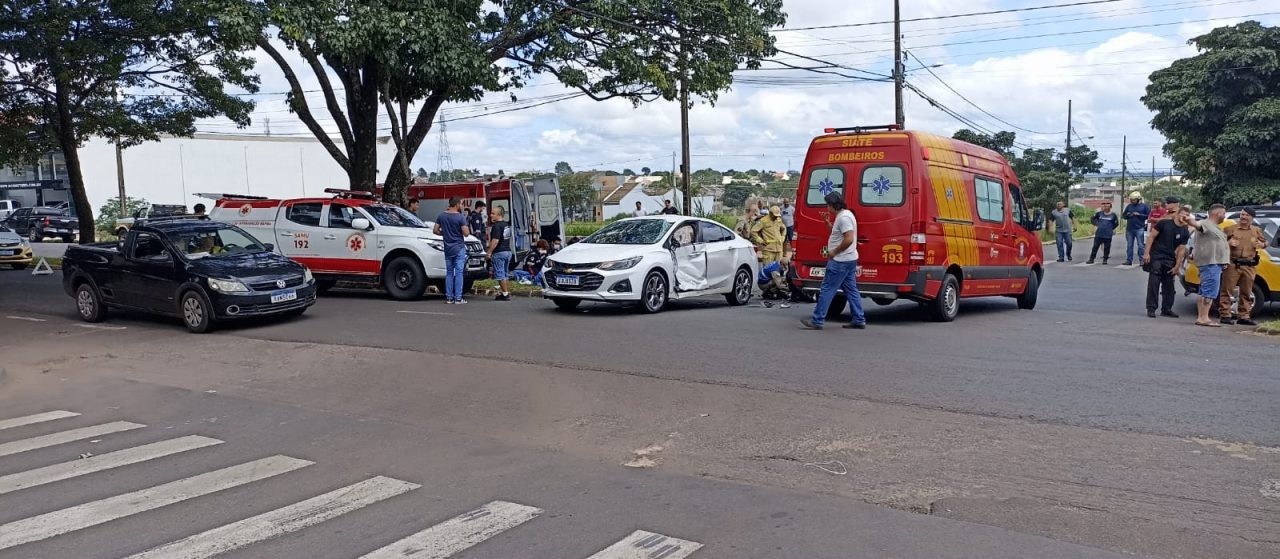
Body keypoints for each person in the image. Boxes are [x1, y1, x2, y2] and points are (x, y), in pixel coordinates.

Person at [801, 192, 866, 330]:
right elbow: (839, 233)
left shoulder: (843, 218)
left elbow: (848, 238)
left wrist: (834, 251)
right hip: (849, 259)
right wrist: (828, 224)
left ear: (833, 205)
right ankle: (858, 318)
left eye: (827, 205)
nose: (827, 208)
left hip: (840, 260)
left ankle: (817, 320)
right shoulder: (845, 215)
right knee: (851, 290)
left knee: (827, 289)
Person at [1219, 207, 1267, 326]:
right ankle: (1225, 314)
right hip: (1233, 264)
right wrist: (1228, 243)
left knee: (1246, 292)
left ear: (1252, 217)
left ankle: (1244, 316)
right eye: (1242, 214)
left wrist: (1262, 244)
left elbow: (1265, 243)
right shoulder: (1230, 229)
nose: (1243, 217)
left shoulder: (1256, 231)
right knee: (1227, 290)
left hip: (1249, 265)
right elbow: (1219, 244)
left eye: (1246, 215)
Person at [1186, 204, 1230, 327]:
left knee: (1204, 290)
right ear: (1217, 213)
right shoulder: (1206, 224)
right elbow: (1197, 225)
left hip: (1214, 263)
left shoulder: (1215, 227)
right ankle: (1204, 318)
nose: (1224, 216)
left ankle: (1202, 316)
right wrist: (1189, 220)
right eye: (1224, 213)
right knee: (1209, 291)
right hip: (1211, 263)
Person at [1143, 206, 1190, 318]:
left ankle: (1167, 309)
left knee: (1169, 286)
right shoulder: (1164, 223)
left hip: (1170, 259)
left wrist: (1178, 265)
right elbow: (1151, 237)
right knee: (1154, 283)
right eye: (1183, 214)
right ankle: (1151, 308)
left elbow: (1182, 249)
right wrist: (1146, 253)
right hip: (1156, 256)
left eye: (1187, 215)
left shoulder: (1185, 231)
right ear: (1177, 214)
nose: (1185, 217)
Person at [433, 196, 471, 304]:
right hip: (459, 247)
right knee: (459, 273)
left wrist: (444, 233)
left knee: (449, 273)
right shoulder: (460, 217)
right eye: (462, 204)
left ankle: (449, 298)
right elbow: (466, 233)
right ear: (457, 204)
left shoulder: (441, 216)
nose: (462, 206)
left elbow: (435, 230)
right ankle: (458, 298)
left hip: (448, 248)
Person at [487, 206, 513, 301]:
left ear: (499, 215)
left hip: (499, 252)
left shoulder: (496, 226)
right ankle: (505, 292)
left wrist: (489, 252)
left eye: (493, 213)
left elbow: (495, 241)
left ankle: (505, 294)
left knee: (500, 274)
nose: (490, 215)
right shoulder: (506, 225)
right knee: (505, 274)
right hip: (508, 251)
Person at [1121, 192, 1149, 265]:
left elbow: (1148, 216)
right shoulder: (1129, 206)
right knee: (1129, 245)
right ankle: (1129, 260)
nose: (1132, 201)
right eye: (1131, 200)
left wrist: (1139, 215)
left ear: (1138, 199)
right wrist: (1128, 215)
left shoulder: (1144, 206)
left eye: (1133, 200)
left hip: (1139, 228)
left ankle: (1142, 260)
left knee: (1140, 245)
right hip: (1129, 229)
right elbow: (1123, 216)